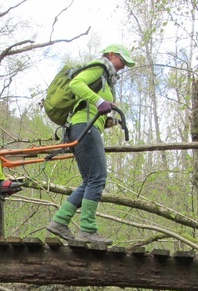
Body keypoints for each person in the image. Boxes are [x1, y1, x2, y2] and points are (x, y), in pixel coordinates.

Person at [46, 44, 135, 245]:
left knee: (89, 180)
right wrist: (98, 102)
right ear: (111, 55)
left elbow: (89, 106)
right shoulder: (99, 68)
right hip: (83, 127)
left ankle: (59, 221)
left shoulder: (107, 79)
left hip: (81, 127)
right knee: (98, 177)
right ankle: (87, 229)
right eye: (122, 61)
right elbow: (76, 84)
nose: (123, 66)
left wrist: (110, 120)